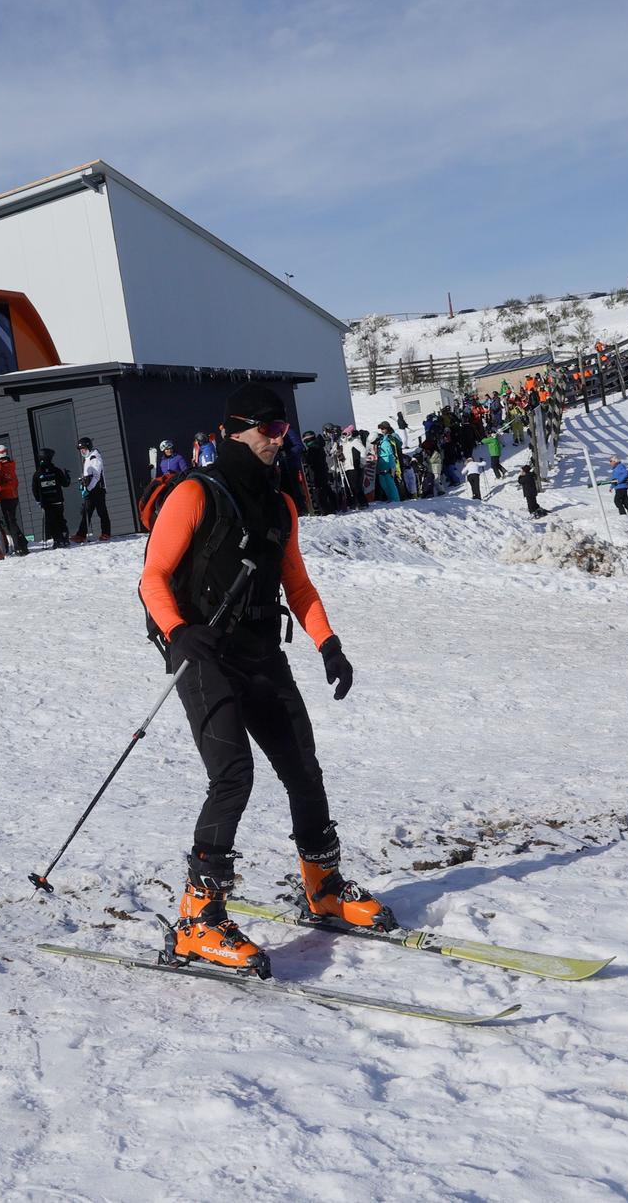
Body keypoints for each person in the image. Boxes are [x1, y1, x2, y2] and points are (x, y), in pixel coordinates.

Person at [139, 383, 372, 976]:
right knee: (233, 775)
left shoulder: (280, 503)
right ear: (236, 430)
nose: (278, 438)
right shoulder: (194, 493)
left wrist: (329, 643)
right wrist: (177, 630)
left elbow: (296, 583)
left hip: (263, 654)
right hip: (204, 657)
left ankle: (323, 887)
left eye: (282, 428)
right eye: (267, 428)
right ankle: (198, 919)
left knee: (302, 766)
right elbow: (153, 577)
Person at [0, 444, 29, 555]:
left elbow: (8, 483)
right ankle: (22, 542)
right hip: (11, 496)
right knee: (11, 522)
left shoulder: (2, 466)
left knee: (10, 522)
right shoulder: (9, 464)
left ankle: (19, 546)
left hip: (6, 497)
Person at [74, 436, 111, 542]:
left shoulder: (94, 458)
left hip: (98, 489)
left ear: (89, 447)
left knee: (102, 511)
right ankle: (81, 535)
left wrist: (88, 489)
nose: (82, 451)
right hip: (90, 488)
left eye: (84, 449)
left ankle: (106, 533)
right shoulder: (87, 458)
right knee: (86, 511)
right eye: (81, 450)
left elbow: (96, 476)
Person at [33, 447, 70, 551]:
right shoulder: (56, 471)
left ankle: (57, 540)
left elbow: (34, 489)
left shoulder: (37, 474)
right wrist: (67, 476)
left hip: (46, 503)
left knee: (52, 522)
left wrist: (38, 501)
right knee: (60, 519)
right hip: (58, 501)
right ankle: (64, 538)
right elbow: (65, 483)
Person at [374, 423, 402, 502]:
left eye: (383, 429)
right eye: (381, 429)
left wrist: (393, 465)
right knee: (385, 483)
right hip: (384, 463)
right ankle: (391, 498)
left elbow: (393, 452)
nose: (382, 431)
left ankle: (396, 499)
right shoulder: (382, 439)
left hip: (391, 462)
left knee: (391, 483)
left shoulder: (391, 438)